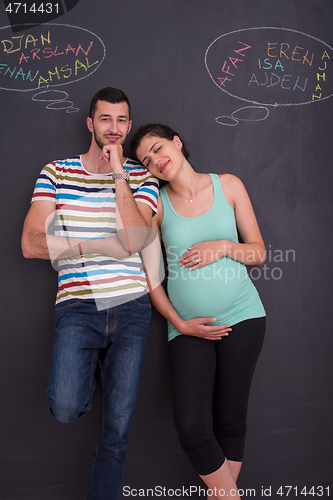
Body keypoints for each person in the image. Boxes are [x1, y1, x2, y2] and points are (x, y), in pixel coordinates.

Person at [21, 88, 159, 500]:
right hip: (78, 307)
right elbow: (30, 244)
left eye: (121, 121)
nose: (113, 129)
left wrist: (119, 174)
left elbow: (135, 239)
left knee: (116, 428)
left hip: (131, 307)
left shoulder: (141, 175)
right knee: (65, 408)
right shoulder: (56, 172)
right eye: (105, 120)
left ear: (128, 126)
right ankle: (94, 369)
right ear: (90, 123)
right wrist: (91, 247)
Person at [131, 124, 266, 500]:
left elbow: (258, 252)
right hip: (187, 329)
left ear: (177, 143)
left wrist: (222, 245)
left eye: (158, 148)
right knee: (192, 427)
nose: (156, 161)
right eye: (145, 160)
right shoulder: (156, 205)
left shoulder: (229, 186)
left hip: (243, 316)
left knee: (231, 419)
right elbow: (153, 280)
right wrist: (179, 324)